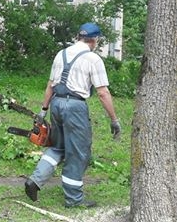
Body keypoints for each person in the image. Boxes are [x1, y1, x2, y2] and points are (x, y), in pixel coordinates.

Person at [24, 22, 121, 208]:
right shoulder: (93, 59)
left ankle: (34, 181)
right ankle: (74, 200)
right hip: (75, 107)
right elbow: (102, 93)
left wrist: (43, 111)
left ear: (79, 36)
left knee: (58, 147)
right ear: (95, 40)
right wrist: (114, 119)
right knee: (78, 153)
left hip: (56, 104)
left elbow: (49, 86)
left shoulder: (61, 54)